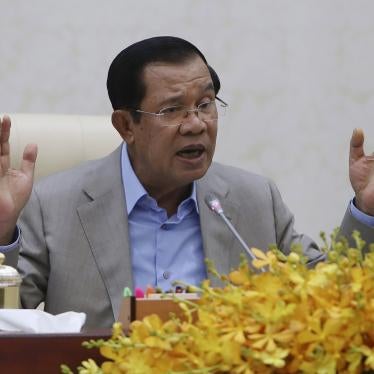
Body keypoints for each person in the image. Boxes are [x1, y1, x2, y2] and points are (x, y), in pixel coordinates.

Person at [0, 36, 373, 328]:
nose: (196, 123)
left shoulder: (253, 199)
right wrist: (1, 232)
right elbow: (9, 321)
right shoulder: (54, 205)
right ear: (126, 126)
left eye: (206, 103)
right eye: (172, 109)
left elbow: (334, 297)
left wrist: (367, 211)